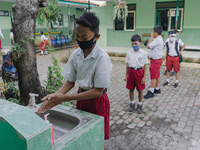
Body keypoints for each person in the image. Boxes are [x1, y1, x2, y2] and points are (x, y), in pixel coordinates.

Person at [38, 13, 112, 144]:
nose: (80, 40)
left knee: (97, 138)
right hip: (81, 97)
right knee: (83, 133)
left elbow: (98, 91)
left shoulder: (102, 57)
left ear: (97, 37)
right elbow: (70, 81)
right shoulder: (76, 54)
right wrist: (56, 96)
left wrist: (64, 98)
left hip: (97, 102)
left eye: (84, 37)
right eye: (77, 36)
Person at [124, 34, 148, 113]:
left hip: (139, 72)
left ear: (140, 44)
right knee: (131, 89)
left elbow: (145, 66)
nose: (134, 45)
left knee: (140, 90)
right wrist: (126, 75)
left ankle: (140, 104)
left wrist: (144, 77)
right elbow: (127, 65)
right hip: (131, 72)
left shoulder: (143, 53)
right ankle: (132, 103)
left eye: (136, 43)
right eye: (132, 43)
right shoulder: (129, 53)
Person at [144, 25, 163, 99]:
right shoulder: (159, 38)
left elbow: (148, 46)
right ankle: (157, 88)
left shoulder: (157, 40)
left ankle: (151, 91)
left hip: (156, 61)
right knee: (157, 75)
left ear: (155, 33)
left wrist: (151, 38)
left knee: (153, 76)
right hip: (157, 60)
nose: (151, 33)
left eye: (152, 32)